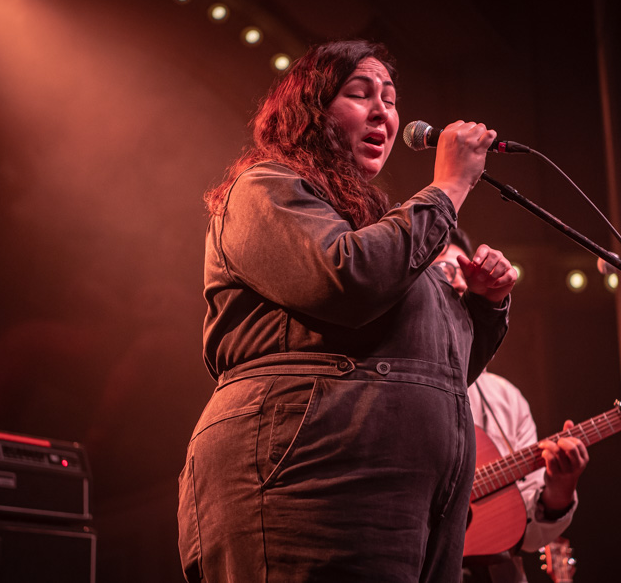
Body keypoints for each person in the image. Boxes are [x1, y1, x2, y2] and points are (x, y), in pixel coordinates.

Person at [176, 39, 519, 582]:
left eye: (390, 96)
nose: (383, 109)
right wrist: (449, 185)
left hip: (410, 505)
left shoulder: (385, 229)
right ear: (311, 114)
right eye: (360, 94)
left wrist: (484, 305)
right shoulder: (263, 189)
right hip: (307, 484)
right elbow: (345, 281)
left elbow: (435, 370)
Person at [433, 229, 589, 583]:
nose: (456, 282)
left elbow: (530, 536)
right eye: (442, 270)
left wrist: (560, 486)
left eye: (461, 273)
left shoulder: (506, 397)